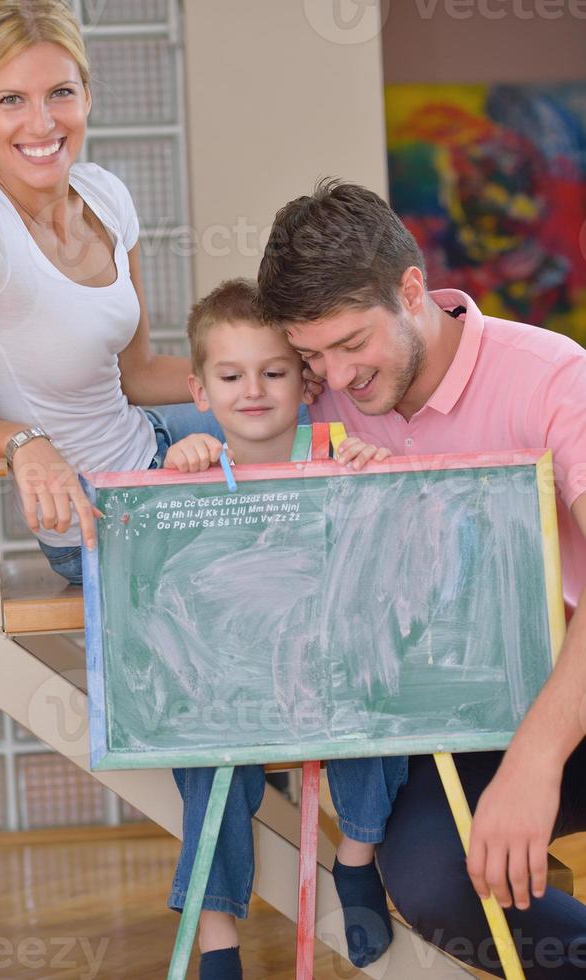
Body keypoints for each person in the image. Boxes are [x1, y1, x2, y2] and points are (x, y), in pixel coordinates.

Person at [257, 179, 586, 978]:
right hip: (463, 711)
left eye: (350, 343)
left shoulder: (551, 376)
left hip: (570, 685)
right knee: (439, 877)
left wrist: (535, 762)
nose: (335, 373)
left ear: (411, 290)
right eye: (311, 355)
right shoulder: (326, 398)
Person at [162, 277, 407, 980]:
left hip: (331, 669)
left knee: (383, 711)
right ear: (200, 391)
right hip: (233, 685)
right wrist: (178, 473)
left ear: (305, 382)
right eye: (231, 375)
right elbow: (166, 571)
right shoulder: (199, 467)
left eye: (273, 372)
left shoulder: (336, 448)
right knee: (205, 768)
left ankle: (355, 863)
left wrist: (378, 475)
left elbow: (392, 555)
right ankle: (218, 944)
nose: (254, 390)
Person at [0, 0, 220, 587]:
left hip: (159, 447)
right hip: (101, 518)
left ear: (87, 95)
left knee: (316, 407)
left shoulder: (105, 195)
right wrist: (23, 442)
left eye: (60, 93)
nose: (42, 124)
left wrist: (267, 374)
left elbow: (137, 375)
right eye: (11, 99)